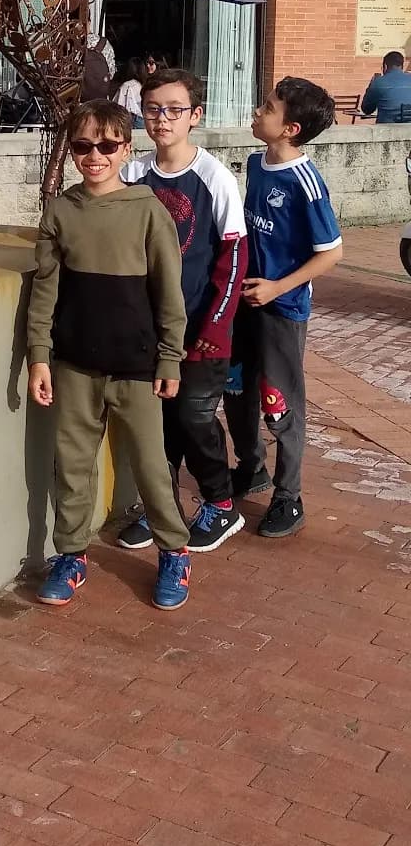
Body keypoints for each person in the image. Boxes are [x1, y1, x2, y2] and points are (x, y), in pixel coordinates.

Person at [26, 98, 192, 612]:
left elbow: (169, 293)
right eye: (82, 145)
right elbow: (46, 293)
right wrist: (39, 356)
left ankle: (174, 551)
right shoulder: (60, 211)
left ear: (126, 148)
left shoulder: (148, 211)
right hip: (74, 365)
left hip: (137, 366)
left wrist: (170, 358)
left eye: (106, 145)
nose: (94, 155)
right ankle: (71, 555)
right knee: (72, 465)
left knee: (149, 464)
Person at [119, 68, 249, 552]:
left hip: (201, 328)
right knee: (157, 421)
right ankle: (161, 506)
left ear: (195, 116)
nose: (162, 119)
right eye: (153, 109)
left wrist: (214, 327)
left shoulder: (214, 178)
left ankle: (220, 503)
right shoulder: (132, 173)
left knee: (194, 416)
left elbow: (233, 259)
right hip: (147, 328)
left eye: (175, 110)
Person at [223, 78, 343, 538]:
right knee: (237, 389)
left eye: (268, 107)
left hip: (282, 308)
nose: (258, 110)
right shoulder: (258, 163)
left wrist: (277, 288)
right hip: (244, 303)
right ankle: (250, 466)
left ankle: (288, 497)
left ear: (289, 128)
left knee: (280, 401)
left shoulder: (305, 183)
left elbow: (330, 252)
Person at [361, 50, 411, 123]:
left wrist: (370, 86)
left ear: (385, 66)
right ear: (402, 66)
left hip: (385, 130)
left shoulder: (378, 82)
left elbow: (367, 110)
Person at [115, 57, 148, 128]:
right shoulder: (143, 85)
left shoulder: (127, 85)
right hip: (143, 120)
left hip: (132, 120)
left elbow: (119, 106)